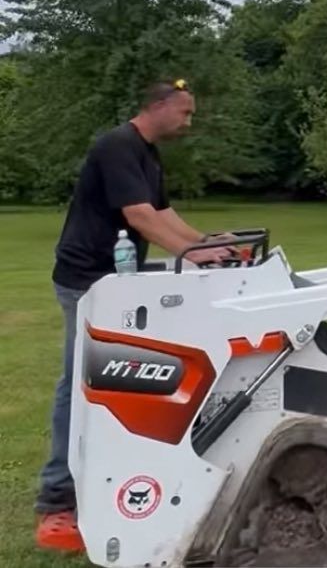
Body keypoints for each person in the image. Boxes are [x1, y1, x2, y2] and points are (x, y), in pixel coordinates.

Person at [34, 79, 234, 555]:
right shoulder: (116, 146)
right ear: (159, 105)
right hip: (86, 281)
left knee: (125, 376)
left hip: (117, 279)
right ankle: (56, 501)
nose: (189, 122)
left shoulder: (146, 153)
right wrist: (194, 253)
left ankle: (116, 477)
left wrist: (205, 246)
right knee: (80, 383)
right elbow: (140, 217)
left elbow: (163, 212)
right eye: (184, 113)